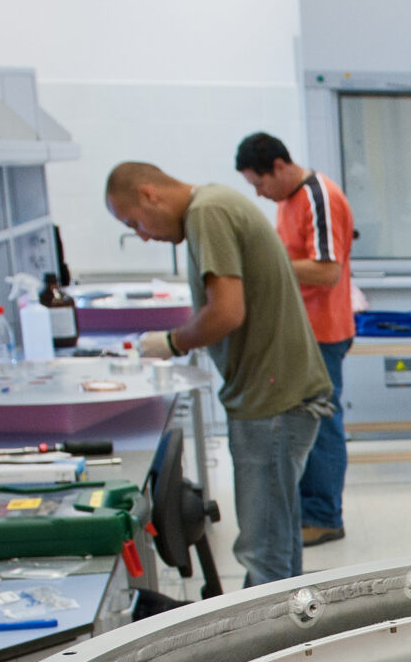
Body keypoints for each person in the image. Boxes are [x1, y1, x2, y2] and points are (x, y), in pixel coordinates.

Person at [105, 161, 334, 587]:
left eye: (135, 221)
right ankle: (291, 638)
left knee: (264, 551)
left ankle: (268, 647)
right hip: (277, 395)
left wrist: (172, 342)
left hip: (272, 402)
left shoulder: (206, 212)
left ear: (149, 194)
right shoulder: (215, 204)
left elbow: (226, 311)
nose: (142, 234)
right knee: (278, 543)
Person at [236, 131, 364, 546]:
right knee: (305, 422)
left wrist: (268, 264)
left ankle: (325, 516)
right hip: (301, 331)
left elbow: (327, 271)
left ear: (278, 166)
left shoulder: (316, 196)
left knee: (322, 423)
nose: (259, 193)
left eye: (260, 183)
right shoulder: (287, 201)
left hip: (322, 332)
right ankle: (311, 509)